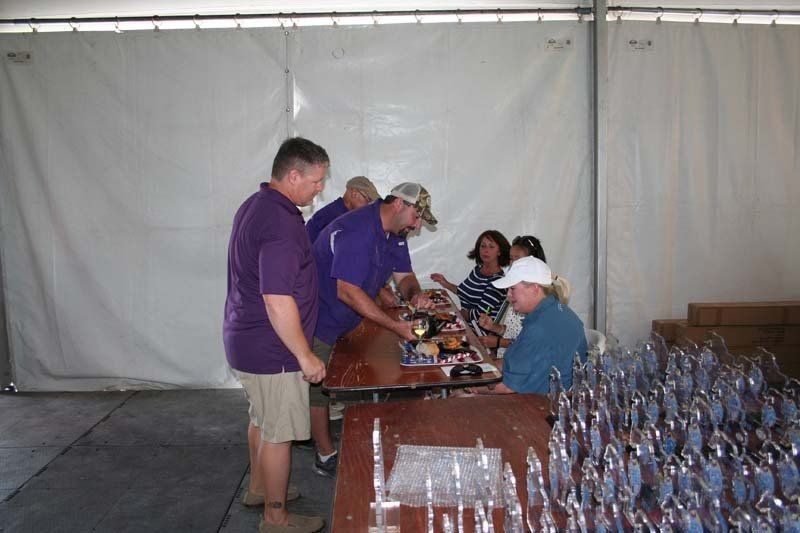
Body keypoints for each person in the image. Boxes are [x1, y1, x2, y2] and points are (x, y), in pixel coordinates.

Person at [223, 137, 329, 533]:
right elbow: (276, 296)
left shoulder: (255, 205)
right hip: (273, 349)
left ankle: (258, 488)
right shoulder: (281, 223)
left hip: (245, 340)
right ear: (294, 174)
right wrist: (304, 354)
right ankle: (276, 516)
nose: (320, 188)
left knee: (262, 421)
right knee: (280, 435)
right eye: (317, 181)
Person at [308, 182, 437, 478]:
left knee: (356, 377)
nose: (417, 225)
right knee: (319, 390)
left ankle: (363, 439)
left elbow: (404, 276)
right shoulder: (358, 230)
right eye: (417, 216)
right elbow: (347, 291)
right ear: (399, 205)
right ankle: (325, 453)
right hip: (322, 318)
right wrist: (395, 326)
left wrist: (414, 294)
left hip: (351, 318)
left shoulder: (394, 233)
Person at [464, 256, 587, 395]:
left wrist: (468, 388)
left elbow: (508, 387)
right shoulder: (554, 311)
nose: (508, 295)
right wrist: (474, 369)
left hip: (543, 404)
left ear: (535, 288)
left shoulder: (539, 328)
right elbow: (515, 363)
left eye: (512, 289)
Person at [477, 235, 554, 350]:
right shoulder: (518, 293)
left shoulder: (535, 302)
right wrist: (493, 327)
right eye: (511, 258)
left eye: (517, 259)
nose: (512, 263)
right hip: (508, 357)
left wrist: (499, 342)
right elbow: (512, 331)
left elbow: (531, 345)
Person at [430, 230, 511, 330]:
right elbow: (464, 292)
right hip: (462, 324)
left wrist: (450, 314)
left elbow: (479, 315)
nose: (486, 250)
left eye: (491, 247)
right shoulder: (477, 270)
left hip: (477, 333)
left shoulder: (498, 282)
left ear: (499, 251)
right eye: (483, 246)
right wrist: (444, 283)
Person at [305, 175, 381, 243]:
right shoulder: (333, 216)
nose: (369, 206)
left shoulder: (341, 212)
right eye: (368, 200)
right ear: (354, 193)